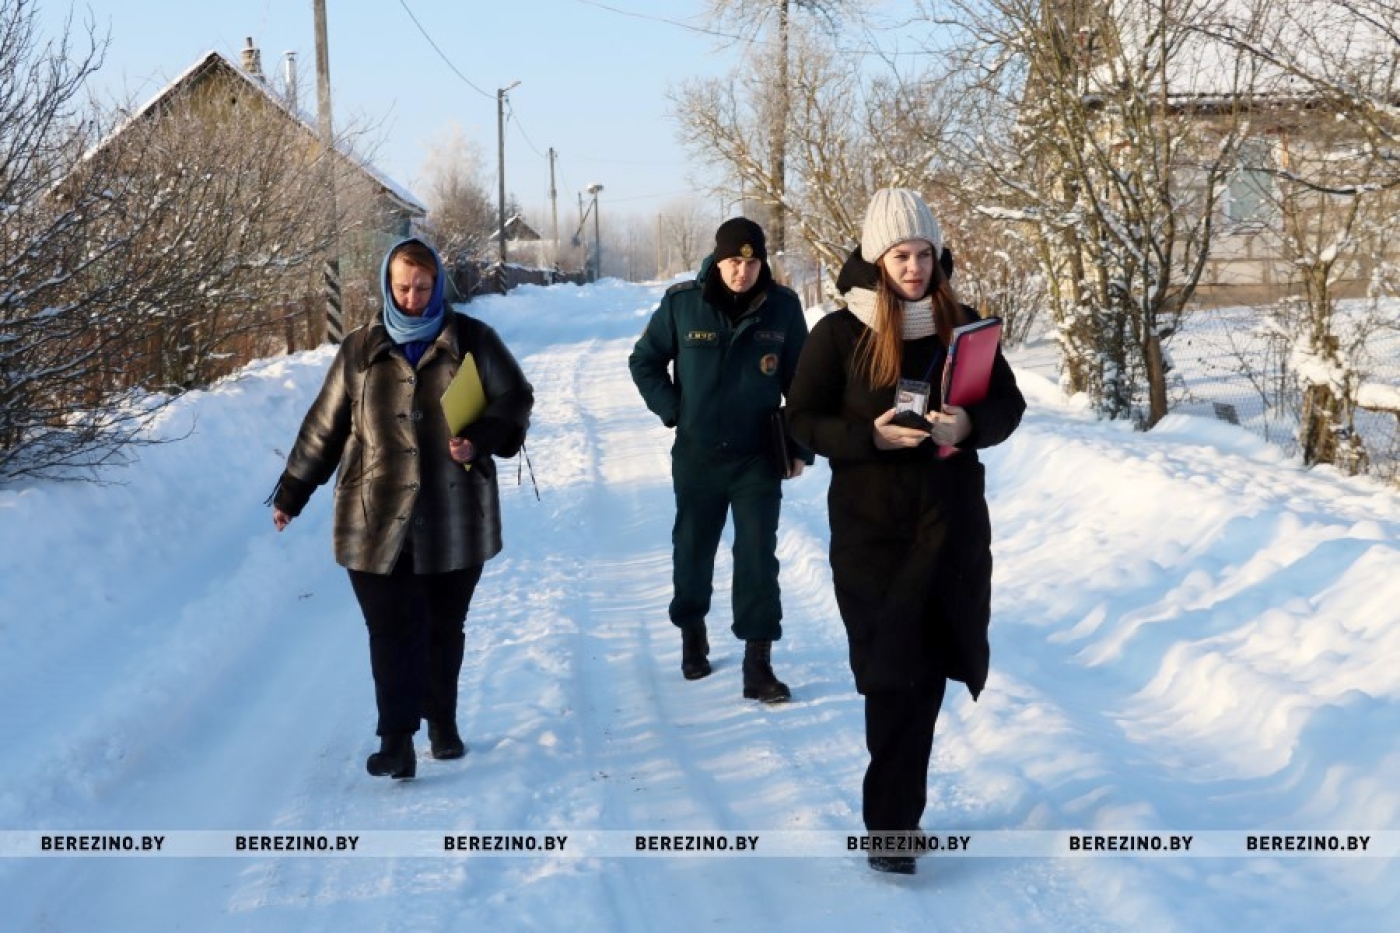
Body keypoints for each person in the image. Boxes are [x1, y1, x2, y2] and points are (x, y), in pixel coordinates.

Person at [785, 189, 1025, 873]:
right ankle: (890, 827)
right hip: (873, 533)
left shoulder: (963, 326)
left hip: (951, 527)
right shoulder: (840, 333)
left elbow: (1008, 404)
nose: (915, 268)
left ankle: (897, 818)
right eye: (901, 256)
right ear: (876, 259)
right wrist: (870, 437)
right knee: (893, 675)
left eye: (924, 254)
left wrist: (969, 424)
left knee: (927, 674)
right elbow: (800, 419)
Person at [269, 237, 533, 779]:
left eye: (423, 287)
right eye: (403, 288)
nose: (413, 298)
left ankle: (442, 723)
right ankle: (396, 740)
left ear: (438, 286)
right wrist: (293, 491)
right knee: (390, 629)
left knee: (442, 626)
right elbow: (324, 426)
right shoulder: (360, 349)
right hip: (374, 515)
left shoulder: (472, 340)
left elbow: (516, 399)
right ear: (388, 287)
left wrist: (480, 438)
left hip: (454, 516)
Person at [629, 217, 812, 702]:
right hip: (698, 455)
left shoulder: (783, 308)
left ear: (762, 263)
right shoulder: (683, 303)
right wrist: (675, 411)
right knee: (693, 548)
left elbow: (804, 384)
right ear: (718, 259)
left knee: (757, 555)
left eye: (751, 264)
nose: (742, 272)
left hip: (757, 457)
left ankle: (758, 663)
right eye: (733, 261)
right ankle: (692, 632)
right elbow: (644, 360)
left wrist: (799, 447)